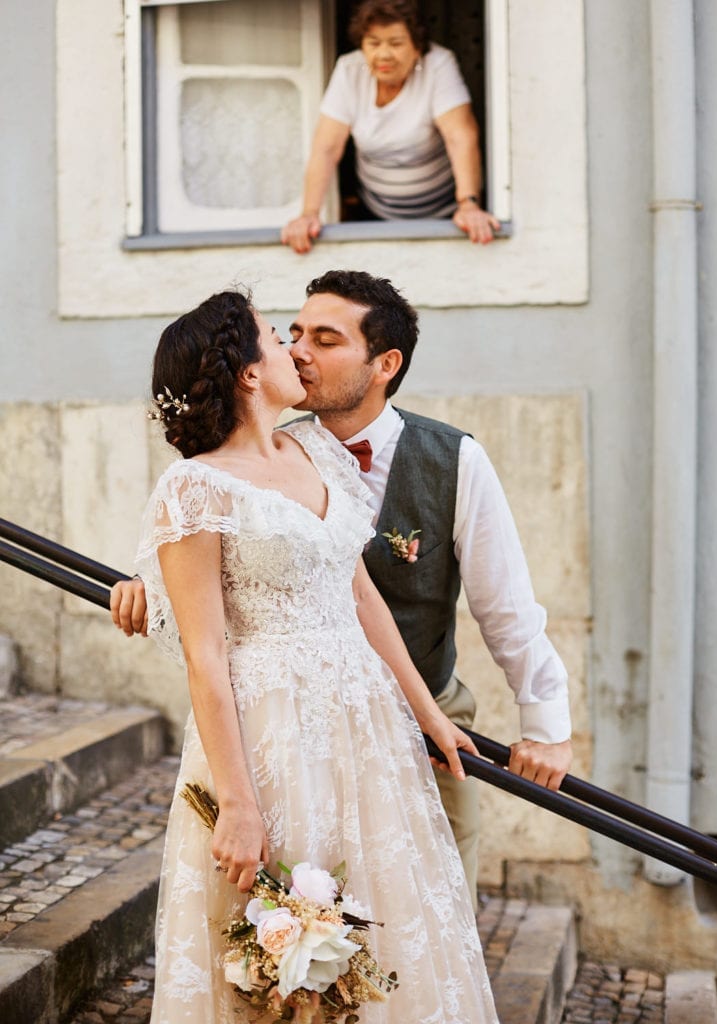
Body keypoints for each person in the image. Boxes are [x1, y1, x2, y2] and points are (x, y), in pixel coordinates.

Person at [111, 271, 573, 915]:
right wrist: (151, 582)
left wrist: (544, 725)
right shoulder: (281, 444)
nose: (299, 350)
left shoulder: (453, 460)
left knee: (433, 912)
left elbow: (508, 612)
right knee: (302, 916)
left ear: (384, 364)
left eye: (324, 339)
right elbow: (211, 542)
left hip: (423, 708)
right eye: (290, 333)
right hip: (287, 727)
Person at [133, 290, 499, 1022]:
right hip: (270, 732)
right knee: (283, 958)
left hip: (365, 725)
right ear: (245, 372)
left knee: (386, 919)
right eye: (277, 337)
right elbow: (204, 655)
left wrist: (428, 714)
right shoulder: (193, 488)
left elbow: (362, 598)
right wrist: (237, 803)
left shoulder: (317, 451)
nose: (294, 351)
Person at [280, 0, 500, 253]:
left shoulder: (438, 65)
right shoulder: (349, 70)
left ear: (417, 47)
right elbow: (326, 147)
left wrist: (469, 204)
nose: (383, 54)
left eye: (396, 43)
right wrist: (309, 213)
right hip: (374, 213)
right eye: (373, 43)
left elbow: (460, 136)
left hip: (446, 216)